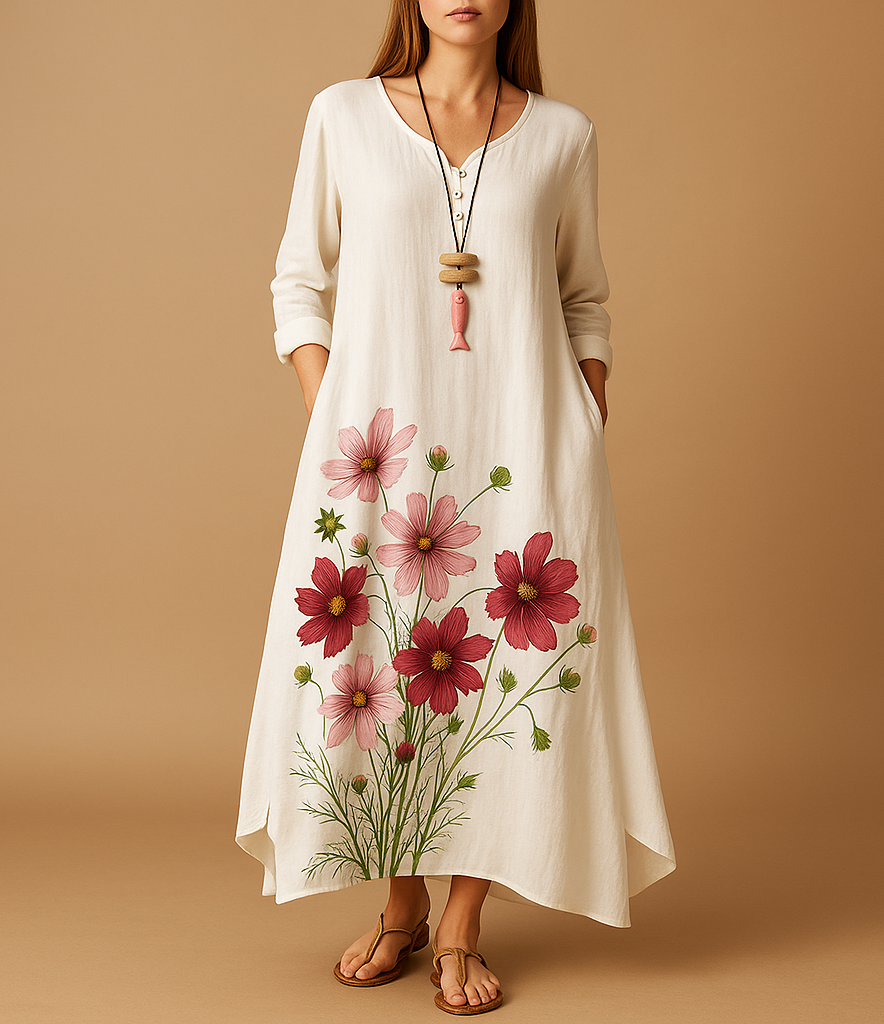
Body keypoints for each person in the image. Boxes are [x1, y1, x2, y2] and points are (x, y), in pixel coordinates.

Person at [235, 1, 676, 1014]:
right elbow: (299, 281)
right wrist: (331, 412)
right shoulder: (343, 114)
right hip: (376, 453)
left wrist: (584, 408)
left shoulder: (563, 135)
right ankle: (401, 904)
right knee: (382, 666)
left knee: (501, 676)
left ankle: (462, 920)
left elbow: (583, 297)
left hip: (524, 449)